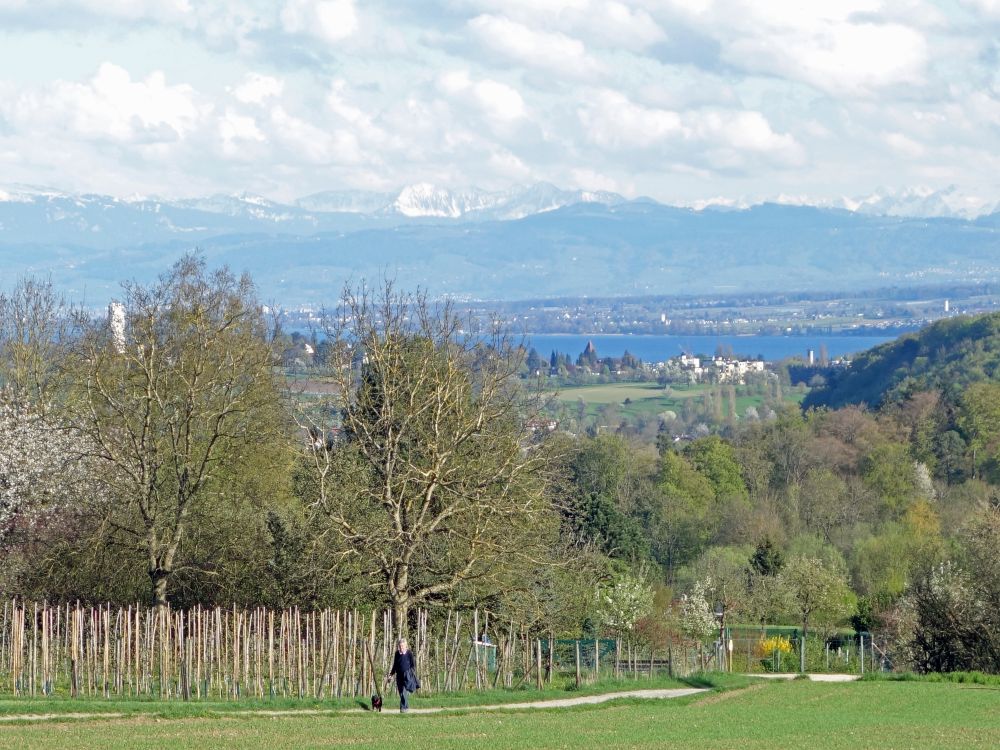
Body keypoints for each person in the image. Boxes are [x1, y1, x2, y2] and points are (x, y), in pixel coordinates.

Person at [385, 638, 418, 713]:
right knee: (400, 692)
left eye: (402, 646)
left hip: (407, 674)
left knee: (403, 691)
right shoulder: (397, 653)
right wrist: (391, 674)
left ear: (406, 646)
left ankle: (403, 708)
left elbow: (413, 665)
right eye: (400, 646)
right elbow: (395, 665)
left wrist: (411, 673)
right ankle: (405, 707)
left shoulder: (409, 653)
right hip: (399, 675)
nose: (401, 647)